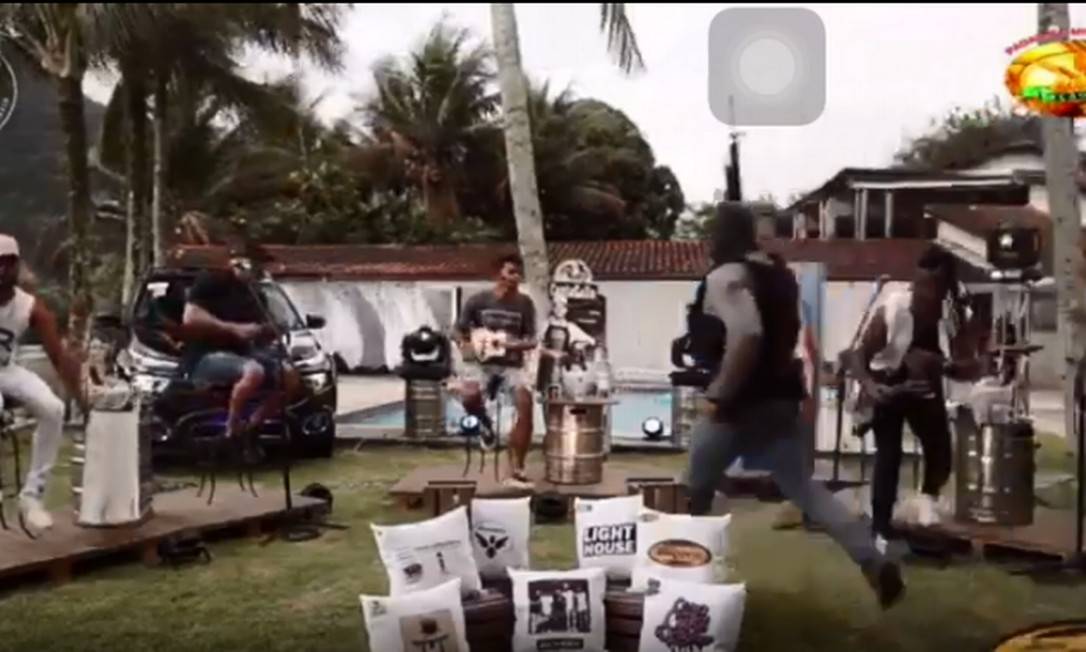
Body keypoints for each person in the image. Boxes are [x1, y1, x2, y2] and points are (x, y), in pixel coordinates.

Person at [683, 204, 905, 609]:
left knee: (691, 493)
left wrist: (719, 393)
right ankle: (872, 560)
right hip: (783, 399)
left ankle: (682, 580)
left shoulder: (727, 277)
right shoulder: (781, 276)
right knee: (805, 489)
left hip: (739, 404)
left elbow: (748, 333)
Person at [844, 245, 977, 544]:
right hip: (886, 383)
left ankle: (926, 503)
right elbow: (856, 356)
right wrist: (871, 387)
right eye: (921, 285)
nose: (925, 293)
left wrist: (950, 366)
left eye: (934, 287)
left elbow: (969, 366)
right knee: (889, 453)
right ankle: (880, 525)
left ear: (946, 288)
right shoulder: (894, 308)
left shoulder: (954, 314)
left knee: (940, 450)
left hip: (925, 387)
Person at [0, 234, 86, 530]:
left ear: (16, 266)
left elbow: (58, 358)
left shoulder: (31, 307)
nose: (0, 270)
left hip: (5, 369)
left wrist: (83, 400)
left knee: (53, 408)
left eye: (6, 263)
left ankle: (31, 496)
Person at [180, 241, 295, 456]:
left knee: (289, 375)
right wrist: (233, 329)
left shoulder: (254, 293)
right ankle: (231, 430)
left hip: (242, 353)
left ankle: (252, 427)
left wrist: (268, 330)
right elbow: (191, 318)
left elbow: (257, 329)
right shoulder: (211, 280)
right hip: (206, 356)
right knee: (253, 371)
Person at [454, 253, 538, 489]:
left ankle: (518, 467)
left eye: (518, 274)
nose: (515, 278)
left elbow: (531, 340)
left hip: (512, 364)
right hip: (481, 362)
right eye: (511, 272)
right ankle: (486, 426)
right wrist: (466, 344)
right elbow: (458, 330)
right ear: (498, 274)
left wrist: (510, 345)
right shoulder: (479, 300)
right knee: (469, 395)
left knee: (525, 403)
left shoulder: (525, 304)